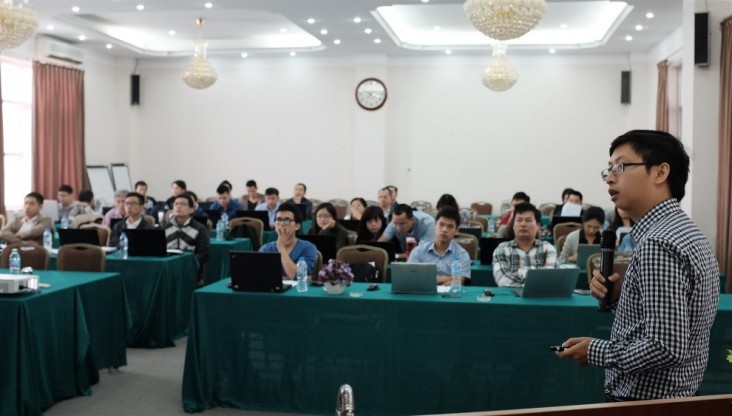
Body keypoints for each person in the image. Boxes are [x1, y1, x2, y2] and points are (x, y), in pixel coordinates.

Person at [555, 130, 719, 402]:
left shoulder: (658, 243)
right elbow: (677, 322)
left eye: (620, 167)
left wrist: (595, 351)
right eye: (607, 170)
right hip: (678, 398)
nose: (609, 177)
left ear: (660, 172)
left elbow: (665, 347)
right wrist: (623, 298)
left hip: (647, 404)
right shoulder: (686, 231)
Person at [492, 202, 557, 287]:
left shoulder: (548, 248)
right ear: (513, 225)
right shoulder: (502, 249)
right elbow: (503, 280)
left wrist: (518, 273)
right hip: (511, 299)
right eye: (519, 220)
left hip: (540, 299)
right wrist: (535, 280)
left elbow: (550, 278)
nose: (523, 224)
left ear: (537, 226)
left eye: (528, 220)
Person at [407, 207, 471, 285]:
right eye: (441, 225)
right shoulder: (418, 251)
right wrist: (447, 278)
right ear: (435, 225)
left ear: (456, 230)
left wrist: (428, 280)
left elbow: (459, 281)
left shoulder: (462, 254)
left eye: (450, 226)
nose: (444, 230)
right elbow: (411, 278)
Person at [259, 203, 317, 278]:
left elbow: (299, 277)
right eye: (279, 220)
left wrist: (281, 248)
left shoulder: (308, 248)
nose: (282, 224)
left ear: (297, 226)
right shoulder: (265, 249)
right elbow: (261, 276)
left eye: (287, 220)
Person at [162, 193, 210, 267]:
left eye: (183, 204)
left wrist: (189, 263)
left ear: (191, 209)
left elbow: (204, 254)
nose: (178, 206)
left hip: (188, 267)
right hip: (167, 266)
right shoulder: (165, 227)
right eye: (176, 204)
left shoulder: (200, 228)